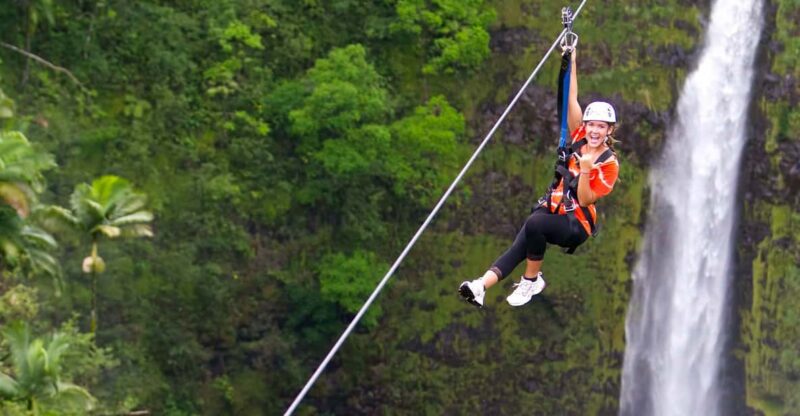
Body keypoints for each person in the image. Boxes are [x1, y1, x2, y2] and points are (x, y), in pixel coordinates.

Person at [458, 48, 620, 308]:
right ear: (585, 126)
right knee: (521, 243)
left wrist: (588, 169)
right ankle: (480, 286)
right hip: (553, 209)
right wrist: (572, 60)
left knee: (535, 225)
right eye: (591, 124)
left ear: (609, 130)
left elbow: (585, 198)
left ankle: (531, 280)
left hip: (575, 225)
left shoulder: (608, 164)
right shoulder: (578, 137)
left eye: (601, 126)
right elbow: (570, 97)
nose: (594, 130)